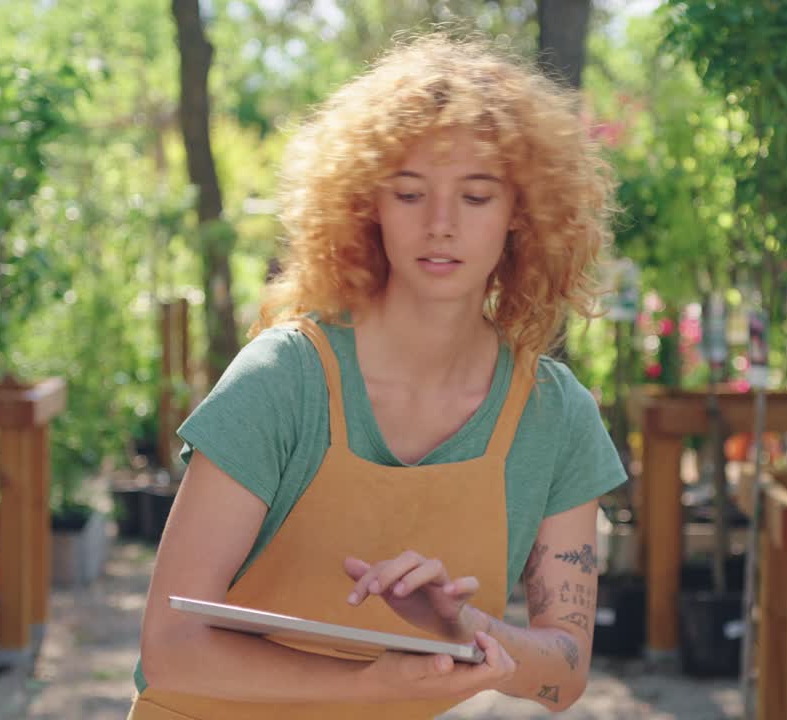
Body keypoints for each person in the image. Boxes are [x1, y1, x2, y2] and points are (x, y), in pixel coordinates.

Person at [130, 33, 626, 719]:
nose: (441, 225)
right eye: (410, 192)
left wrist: (467, 631)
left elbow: (562, 677)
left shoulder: (556, 417)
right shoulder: (283, 380)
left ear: (523, 215)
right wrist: (367, 688)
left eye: (477, 196)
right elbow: (170, 645)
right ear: (369, 205)